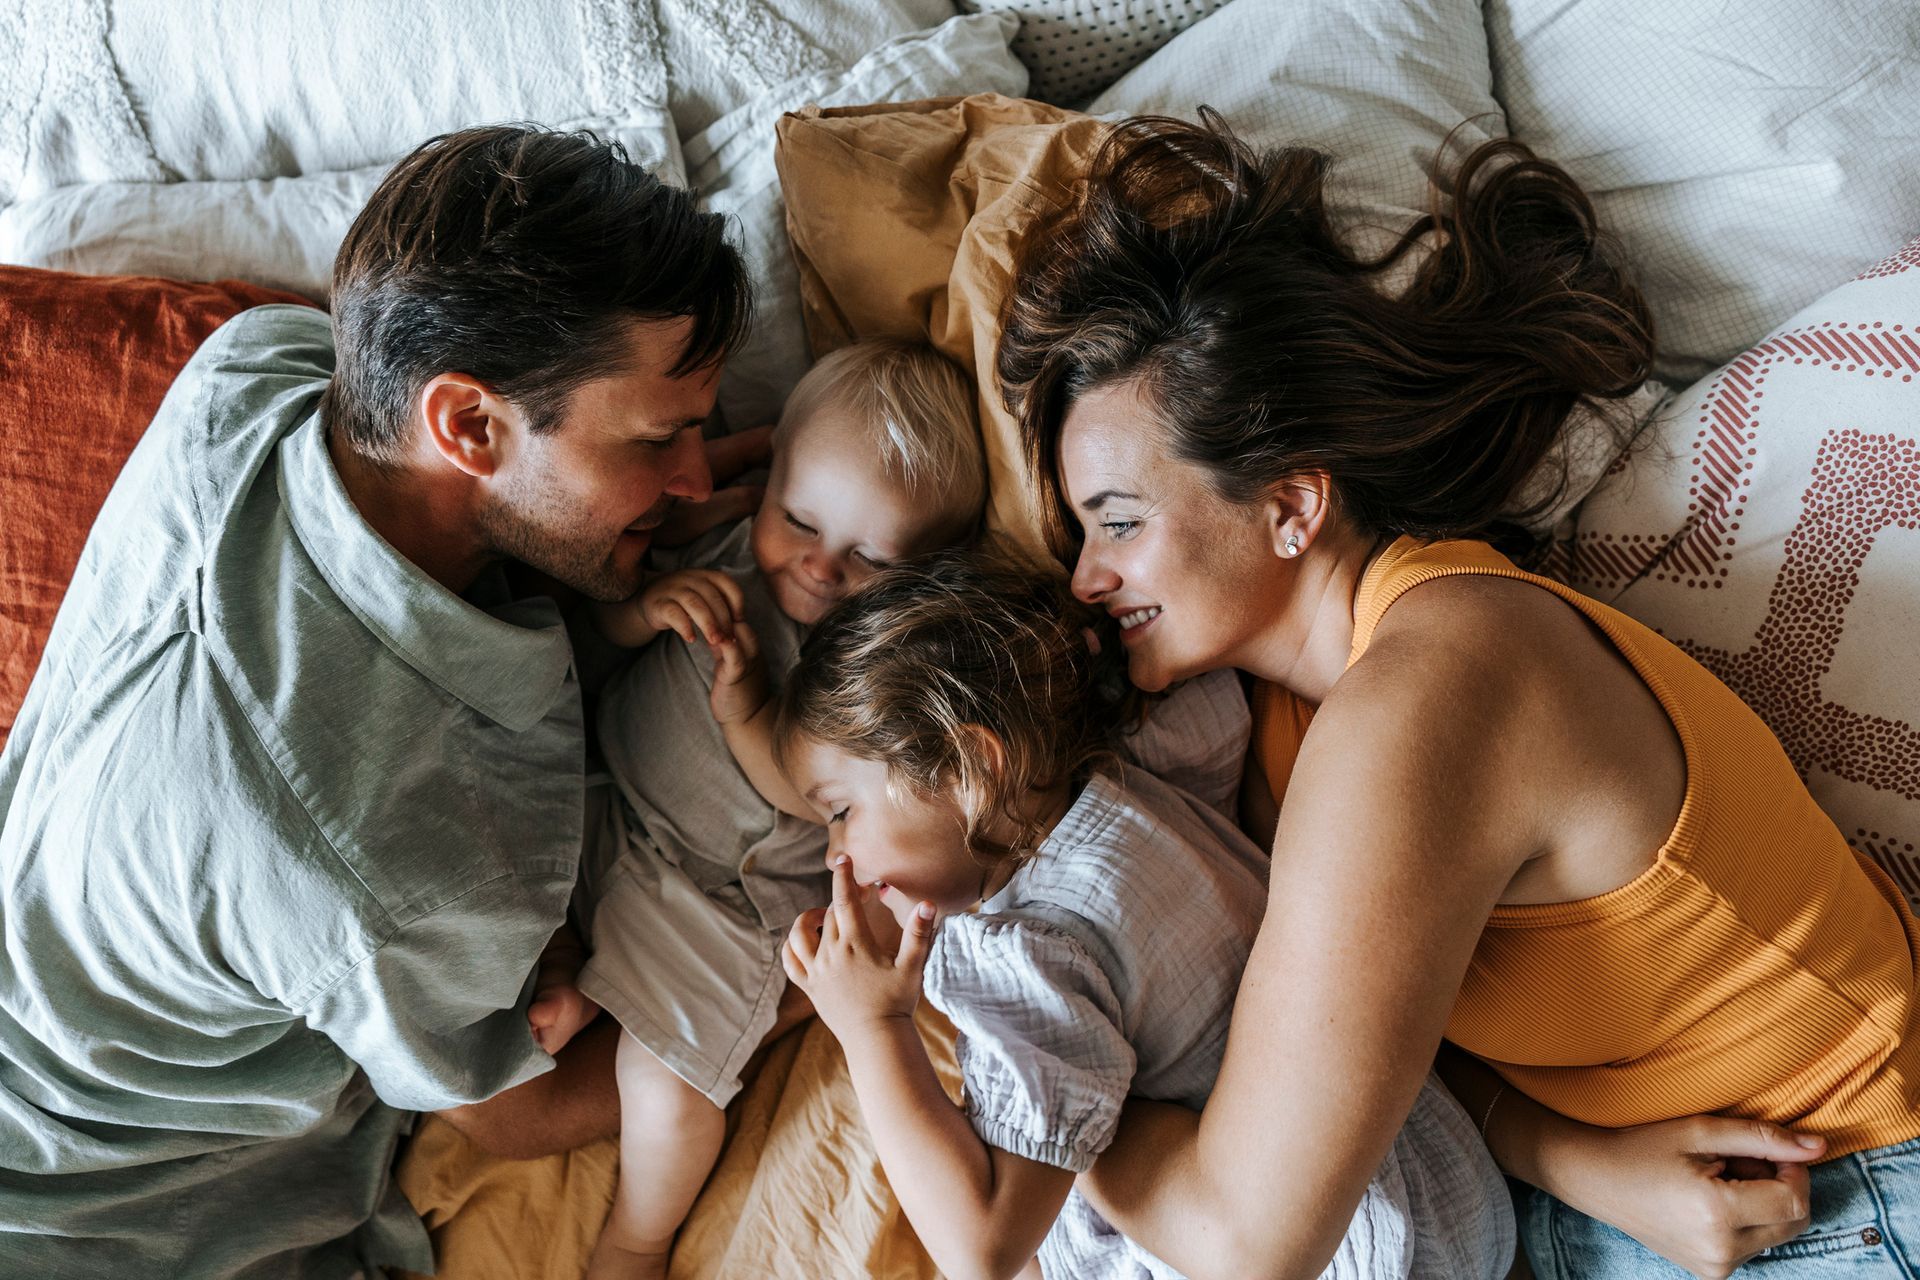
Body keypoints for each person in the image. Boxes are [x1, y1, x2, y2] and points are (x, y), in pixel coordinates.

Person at [996, 111, 1920, 1279]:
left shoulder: (1432, 689)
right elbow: (1398, 1045)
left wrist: (1030, 1099)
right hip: (1643, 1200)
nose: (1087, 576)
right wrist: (1573, 1156)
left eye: (1120, 521)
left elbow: (1243, 1241)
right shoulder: (1291, 715)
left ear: (1291, 507)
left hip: (1839, 1187)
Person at [0, 124, 757, 1277]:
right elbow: (507, 1114)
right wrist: (807, 989)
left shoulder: (257, 370)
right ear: (465, 422)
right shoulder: (382, 857)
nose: (699, 478)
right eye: (662, 438)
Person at [776, 551, 1516, 1280]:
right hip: (1436, 1189)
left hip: (1329, 1251)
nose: (834, 856)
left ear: (972, 769)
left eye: (840, 812)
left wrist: (872, 1029)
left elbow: (983, 1246)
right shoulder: (1139, 768)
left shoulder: (1023, 955)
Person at [541, 339, 990, 1280]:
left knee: (665, 1090)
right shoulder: (715, 545)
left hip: (716, 903)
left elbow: (822, 798)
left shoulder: (883, 668)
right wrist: (645, 607)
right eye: (799, 520)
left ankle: (638, 1232)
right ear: (769, 475)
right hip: (594, 800)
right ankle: (577, 971)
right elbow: (583, 646)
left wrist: (748, 710)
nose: (821, 568)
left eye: (869, 557)